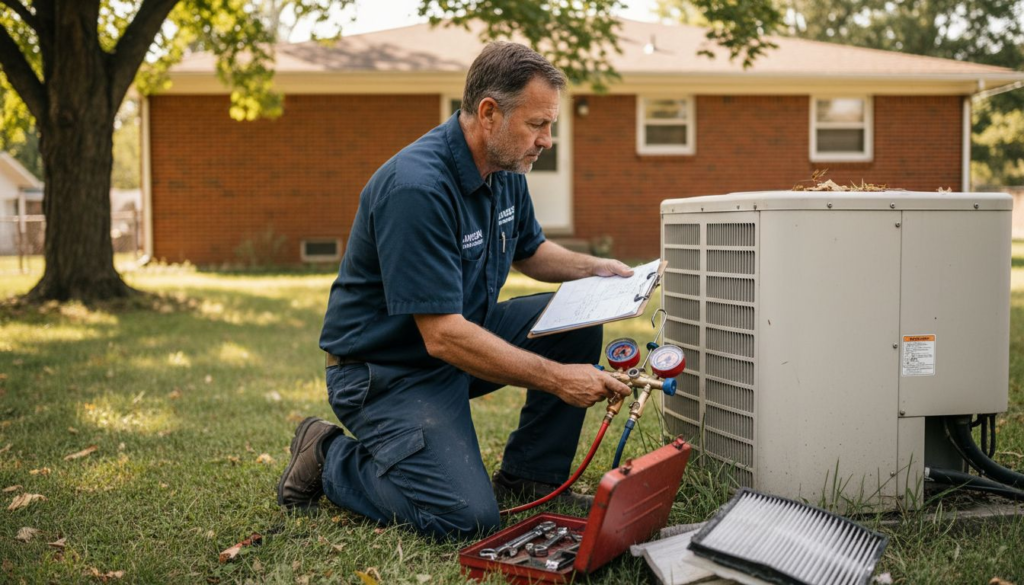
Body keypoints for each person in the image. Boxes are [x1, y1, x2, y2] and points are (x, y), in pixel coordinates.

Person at [277, 41, 633, 540]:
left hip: (457, 342)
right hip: (388, 372)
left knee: (574, 322)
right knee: (465, 519)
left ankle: (531, 475)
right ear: (489, 113)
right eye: (537, 124)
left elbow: (531, 251)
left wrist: (602, 270)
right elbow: (442, 336)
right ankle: (328, 454)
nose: (547, 140)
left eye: (550, 125)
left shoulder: (505, 169)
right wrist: (558, 379)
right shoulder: (417, 188)